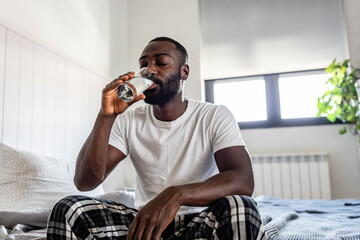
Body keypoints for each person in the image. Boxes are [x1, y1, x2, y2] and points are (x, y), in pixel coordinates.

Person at [47, 37, 267, 240]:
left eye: (161, 63)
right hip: (145, 225)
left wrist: (175, 195)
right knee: (69, 209)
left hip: (201, 220)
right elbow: (85, 182)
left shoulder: (213, 115)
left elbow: (242, 180)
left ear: (184, 72)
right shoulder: (128, 120)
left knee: (242, 206)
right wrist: (107, 116)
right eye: (144, 64)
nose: (149, 70)